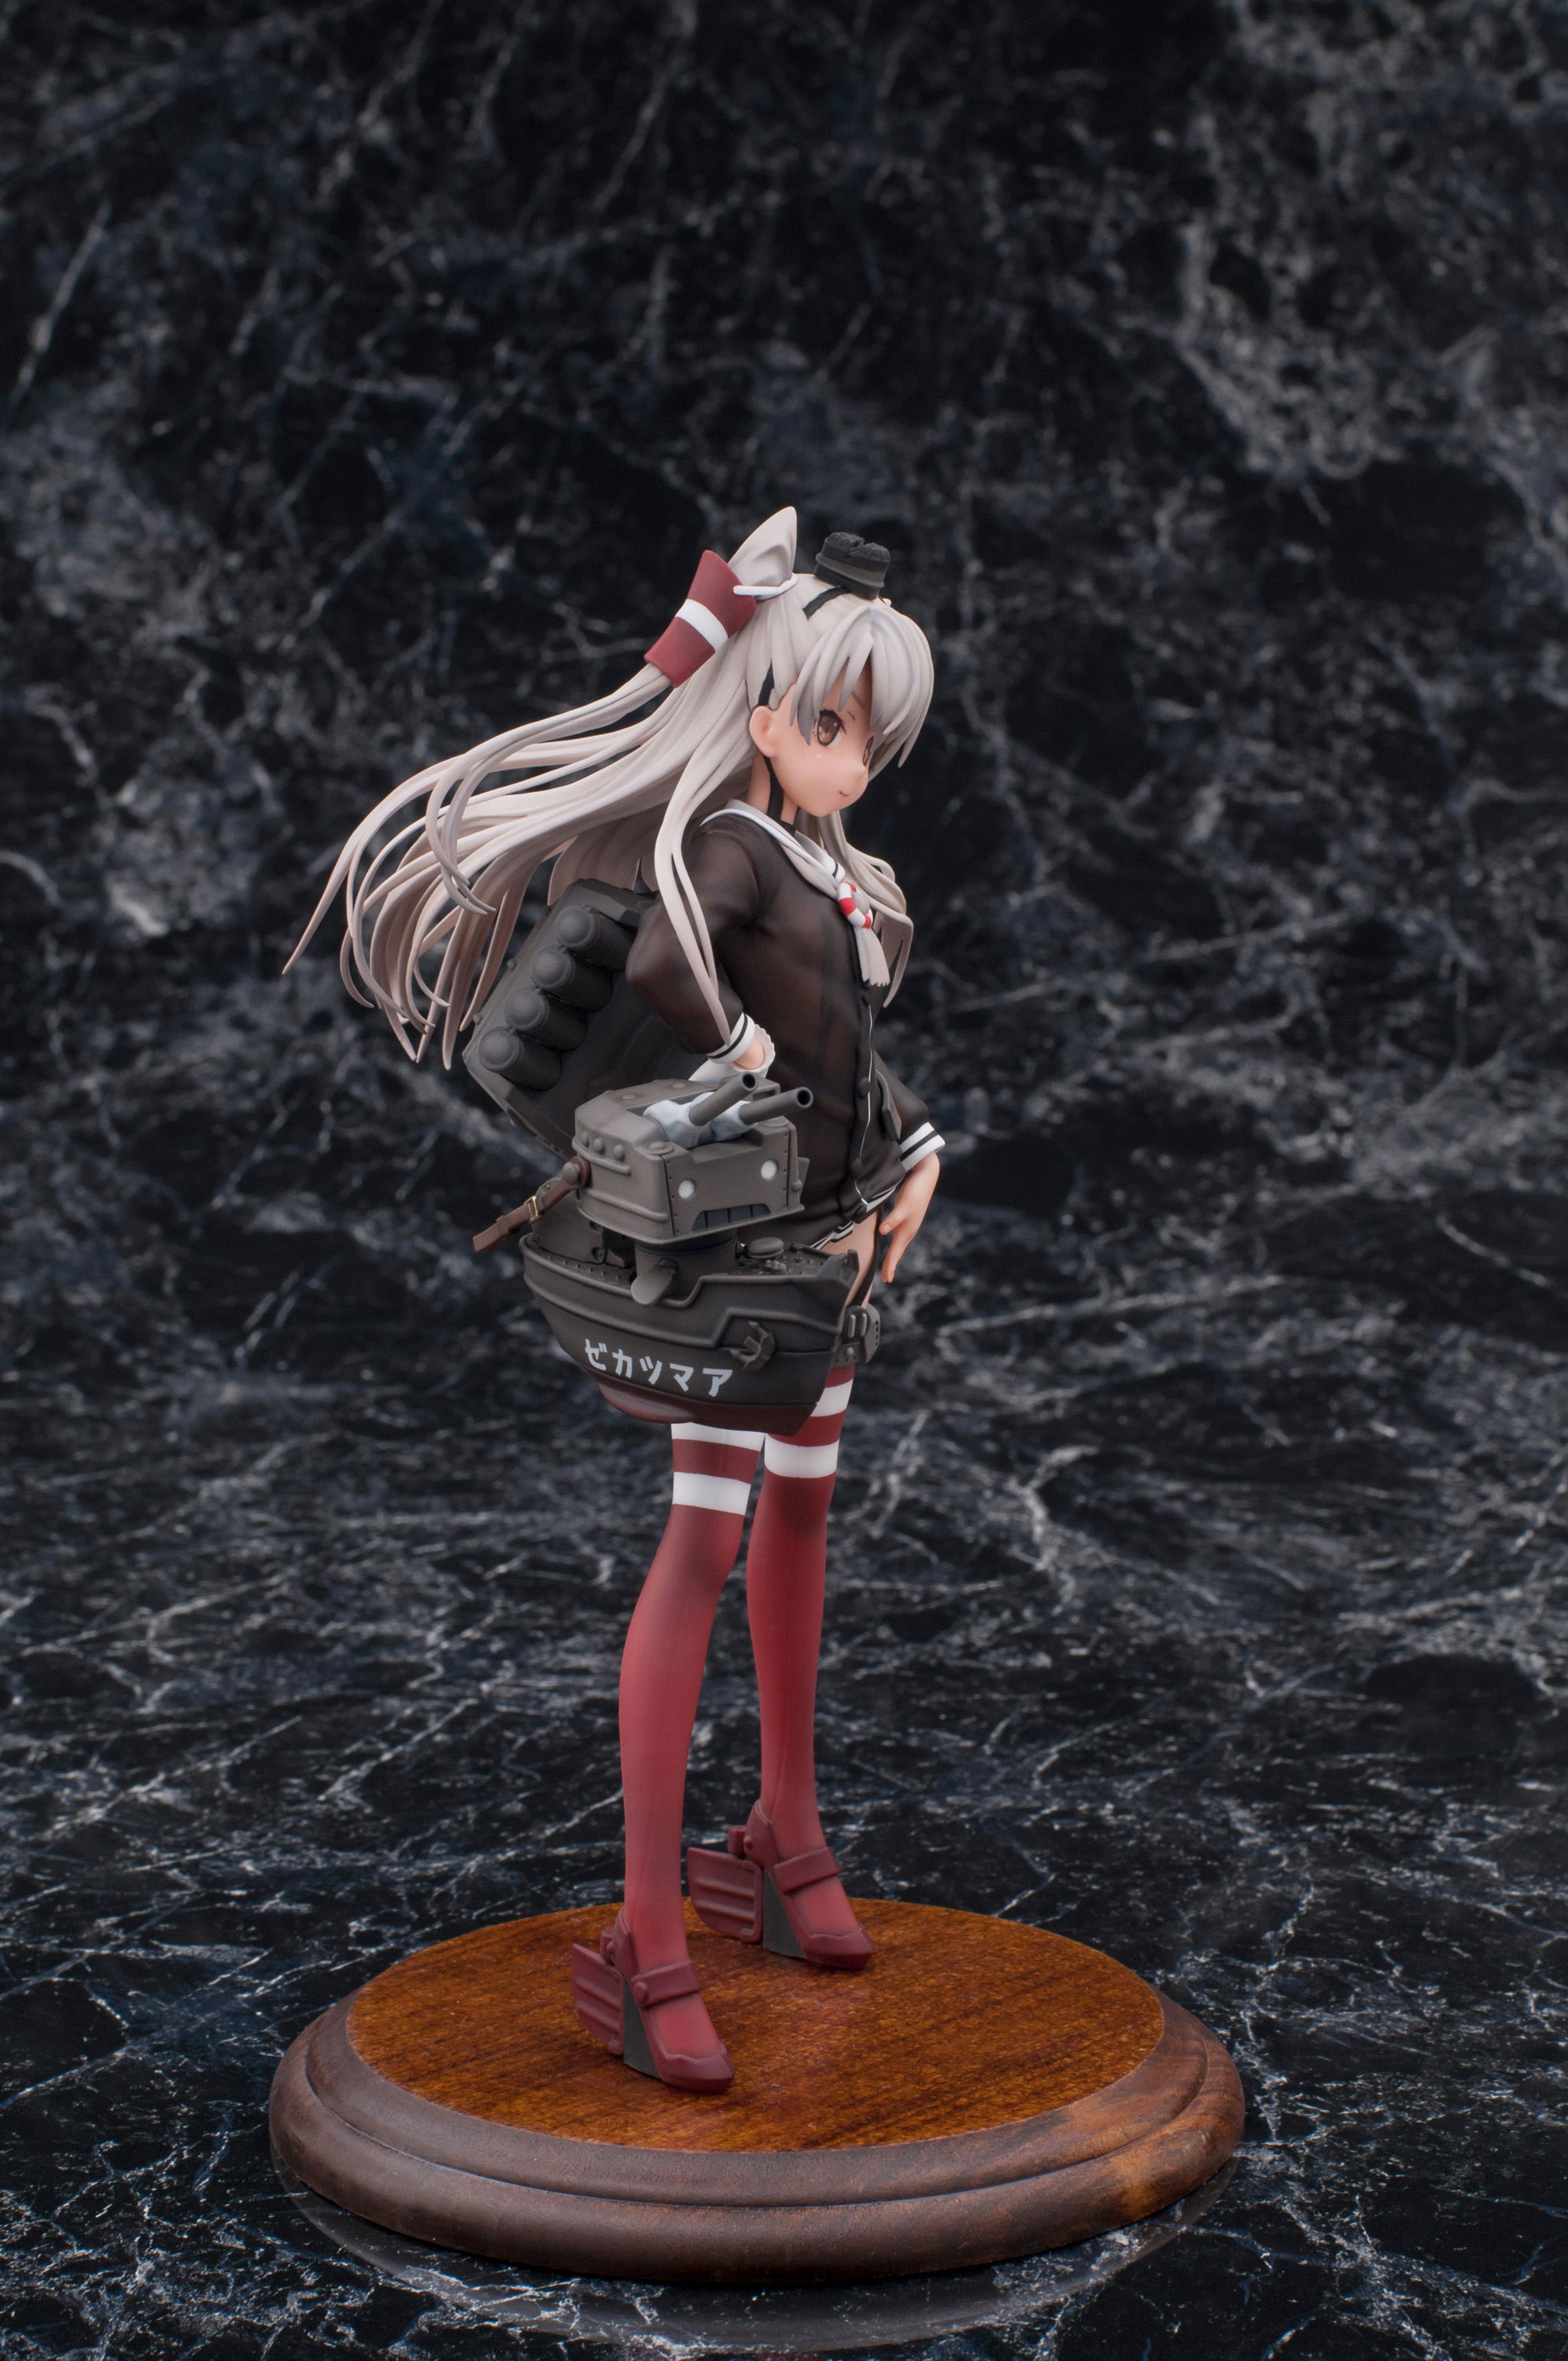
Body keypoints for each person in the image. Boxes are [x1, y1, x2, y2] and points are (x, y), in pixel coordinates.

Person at [290, 509, 943, 2093]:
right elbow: (662, 968)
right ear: (767, 713)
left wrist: (911, 1149)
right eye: (831, 723)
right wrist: (736, 1053)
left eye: (872, 736)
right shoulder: (728, 851)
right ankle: (649, 1942)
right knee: (703, 1540)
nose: (851, 758)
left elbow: (849, 1051)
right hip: (737, 1245)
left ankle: (782, 1833)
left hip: (834, 1233)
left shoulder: (831, 866)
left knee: (805, 1512)